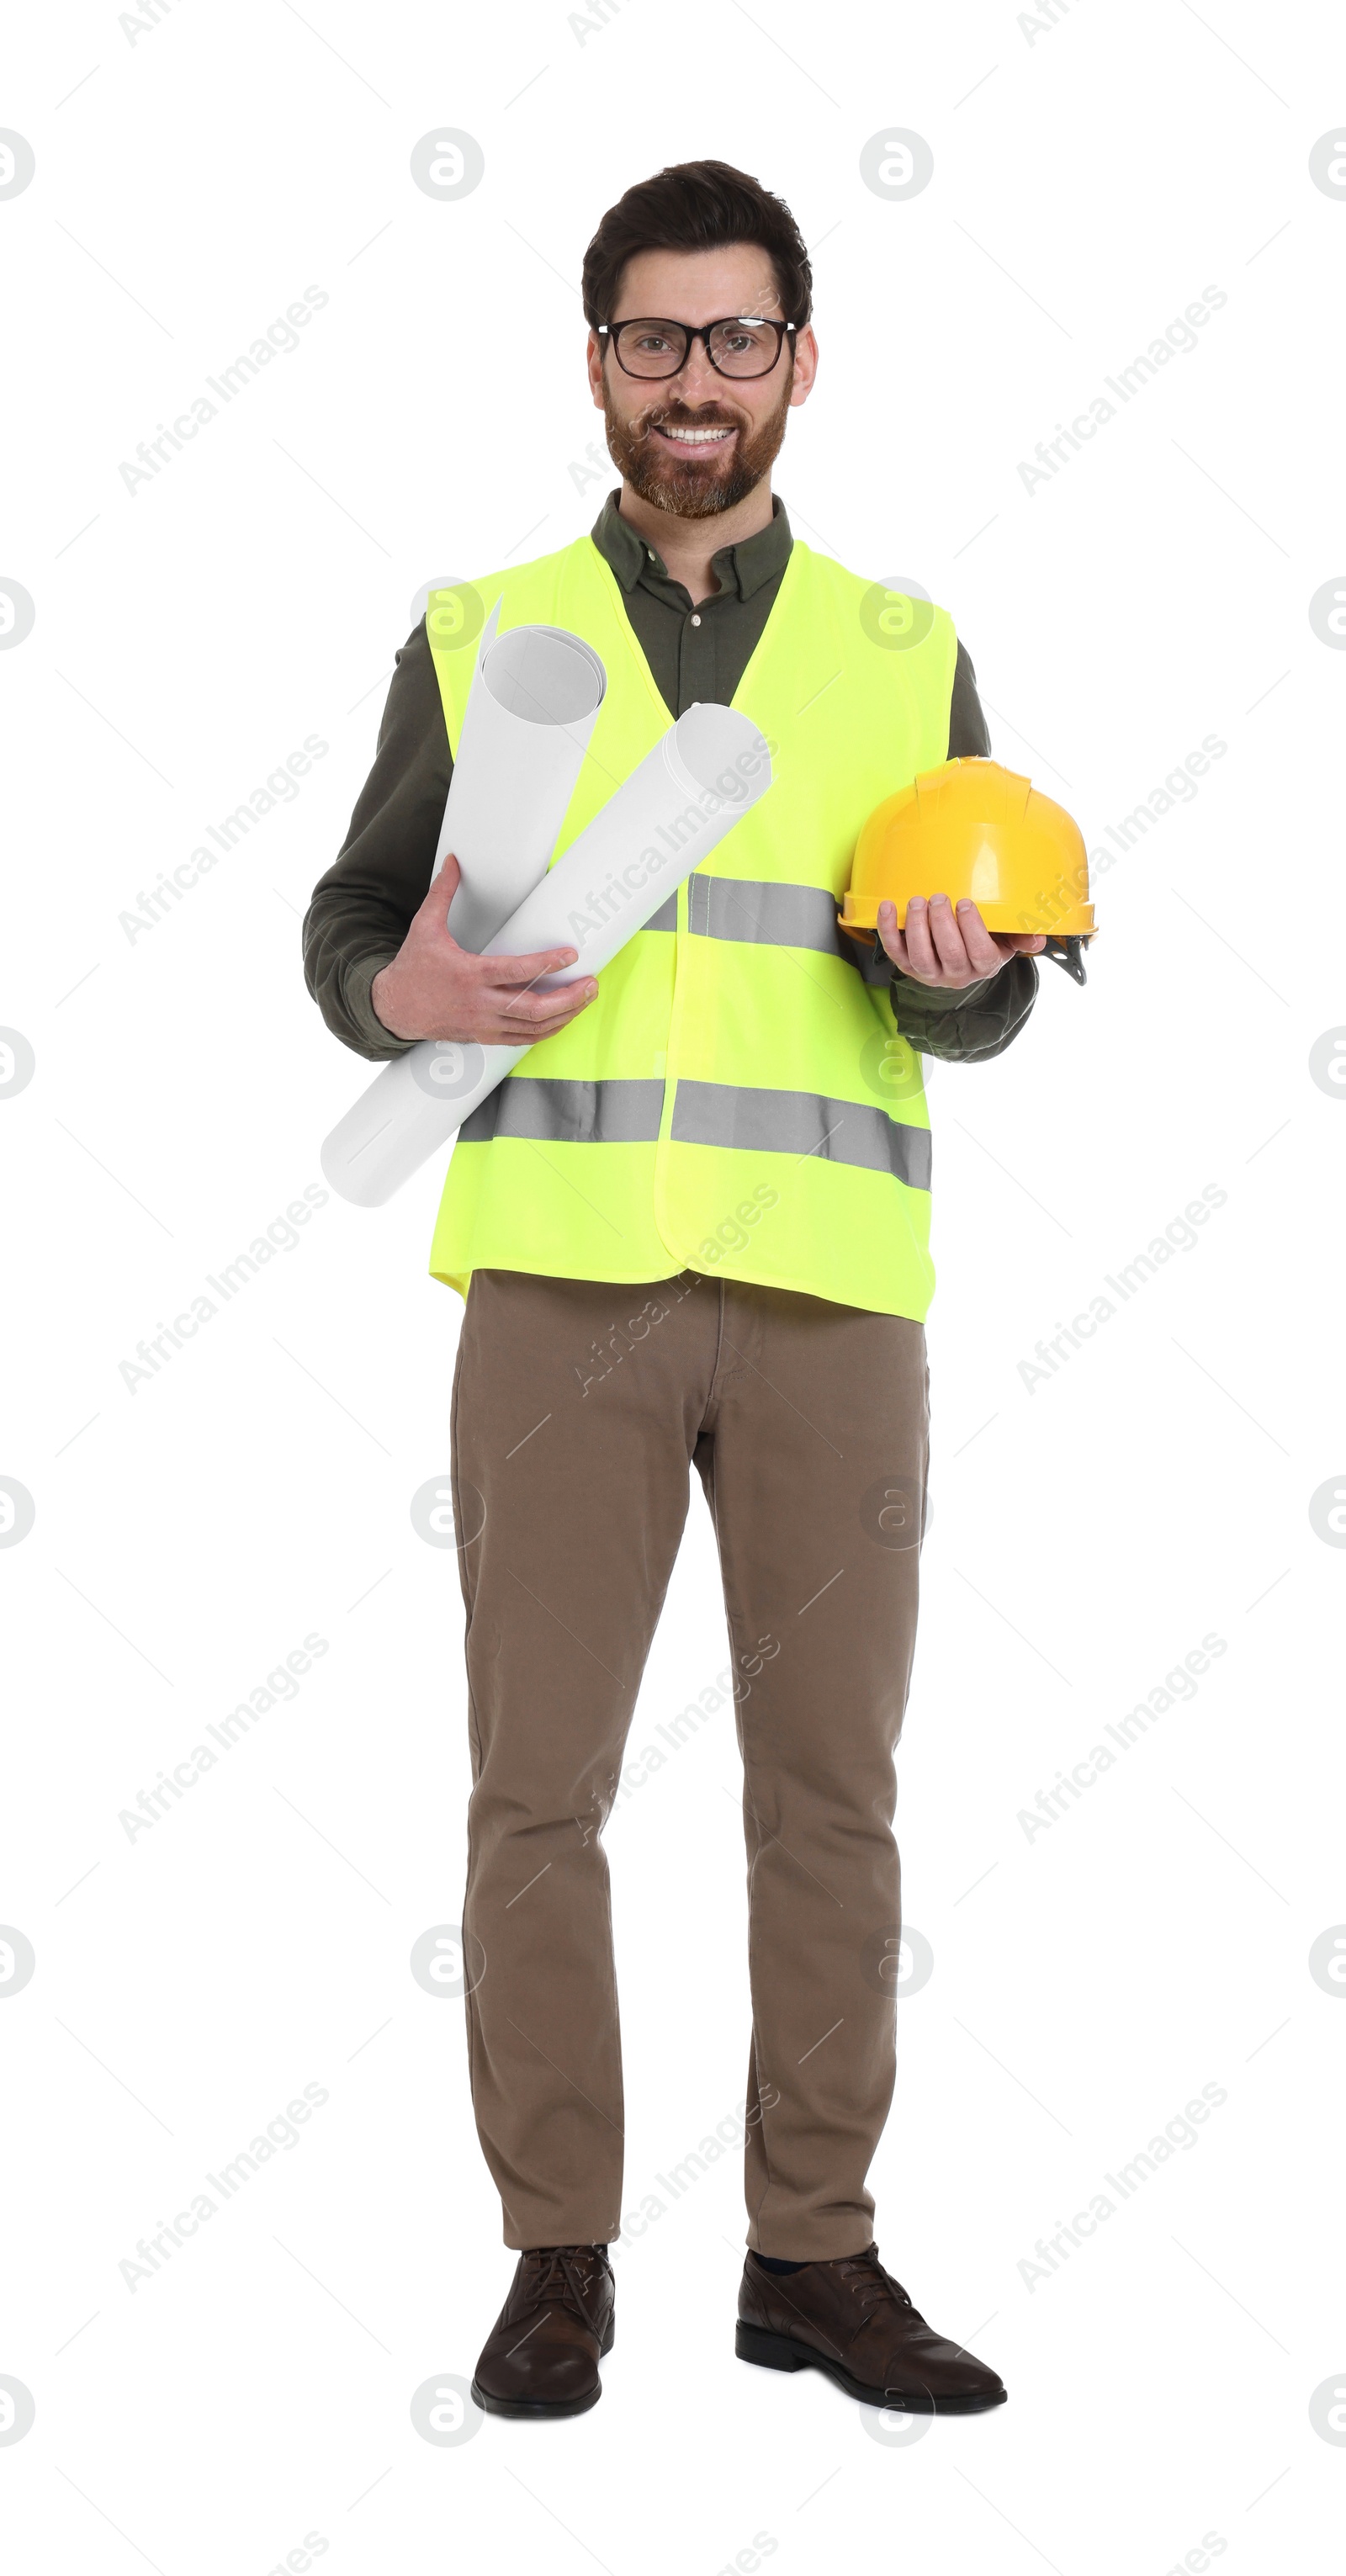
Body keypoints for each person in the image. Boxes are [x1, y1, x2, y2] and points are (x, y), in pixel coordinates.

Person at [304, 158, 1045, 2421]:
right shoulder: (481, 629)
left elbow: (993, 995)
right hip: (557, 1296)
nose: (694, 382)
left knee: (836, 1800)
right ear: (599, 361)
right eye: (654, 339)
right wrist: (396, 982)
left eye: (738, 340)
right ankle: (557, 2257)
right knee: (536, 1798)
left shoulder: (906, 654)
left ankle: (810, 2258)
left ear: (801, 361)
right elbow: (349, 934)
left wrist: (964, 981)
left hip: (831, 1303)